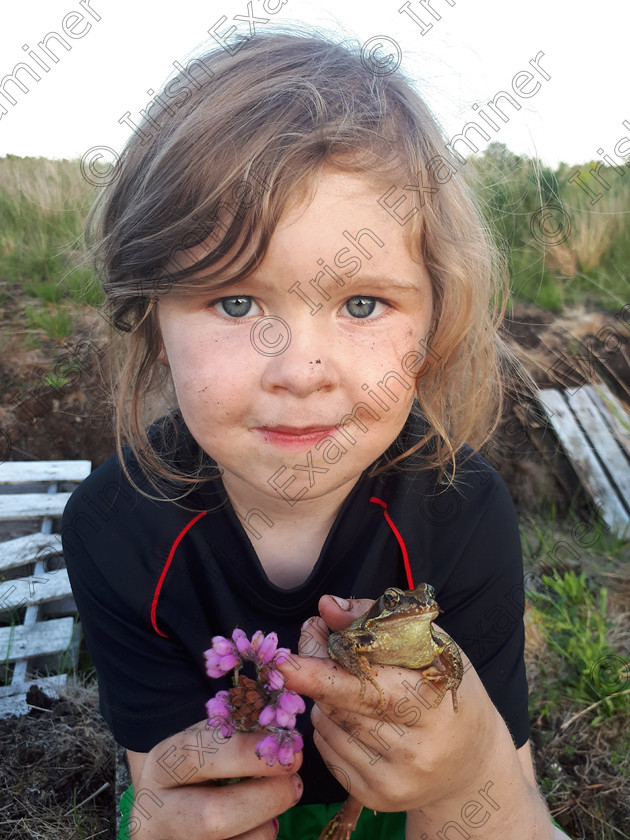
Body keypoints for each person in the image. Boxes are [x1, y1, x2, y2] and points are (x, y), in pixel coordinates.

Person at [62, 26, 568, 840]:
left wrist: (473, 767)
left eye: (362, 304)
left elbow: (509, 805)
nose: (300, 371)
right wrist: (164, 816)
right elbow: (161, 775)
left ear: (434, 324)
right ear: (154, 323)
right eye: (235, 302)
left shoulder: (464, 513)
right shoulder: (114, 525)